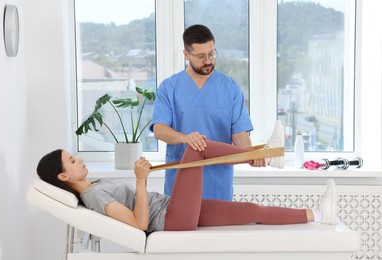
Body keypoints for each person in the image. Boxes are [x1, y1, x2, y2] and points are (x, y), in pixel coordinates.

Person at [36, 140, 336, 233]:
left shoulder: (94, 184)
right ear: (63, 177)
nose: (79, 160)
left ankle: (317, 215)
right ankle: (260, 156)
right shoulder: (93, 195)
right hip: (170, 218)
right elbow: (139, 224)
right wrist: (141, 181)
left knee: (250, 210)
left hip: (173, 211)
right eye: (72, 161)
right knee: (197, 147)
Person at [150, 24, 283, 200]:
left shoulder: (230, 88)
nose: (208, 61)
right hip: (181, 181)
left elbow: (239, 134)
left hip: (218, 183)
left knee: (220, 226)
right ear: (186, 55)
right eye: (201, 56)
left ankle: (271, 153)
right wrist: (185, 138)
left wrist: (253, 154)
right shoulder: (169, 87)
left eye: (211, 53)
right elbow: (159, 129)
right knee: (180, 225)